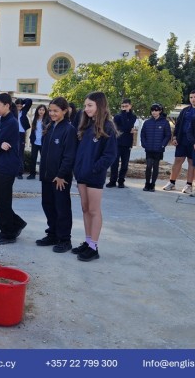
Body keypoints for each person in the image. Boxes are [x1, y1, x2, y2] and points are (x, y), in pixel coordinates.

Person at [72, 92, 118, 262]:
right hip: (82, 175)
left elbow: (109, 155)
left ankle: (94, 247)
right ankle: (88, 241)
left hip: (94, 177)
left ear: (100, 106)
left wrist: (93, 169)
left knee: (93, 210)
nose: (86, 109)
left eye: (89, 105)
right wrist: (78, 169)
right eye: (85, 106)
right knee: (85, 209)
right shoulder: (86, 126)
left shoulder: (108, 128)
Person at [37, 97, 78, 252]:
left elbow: (69, 156)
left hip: (60, 178)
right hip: (47, 176)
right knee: (48, 205)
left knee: (62, 208)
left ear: (65, 111)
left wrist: (61, 175)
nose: (52, 113)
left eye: (56, 110)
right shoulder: (50, 126)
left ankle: (64, 239)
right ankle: (53, 233)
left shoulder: (69, 129)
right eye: (51, 110)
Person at [0, 93, 27, 244]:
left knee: (3, 200)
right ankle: (16, 223)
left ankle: (7, 233)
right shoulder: (0, 121)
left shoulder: (11, 122)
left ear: (7, 106)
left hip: (8, 165)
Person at [163, 89, 195, 193]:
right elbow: (178, 125)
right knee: (177, 161)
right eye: (191, 97)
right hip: (182, 140)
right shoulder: (185, 110)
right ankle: (171, 182)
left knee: (192, 162)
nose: (193, 99)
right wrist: (175, 137)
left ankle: (188, 185)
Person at [140, 103, 171, 192]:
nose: (154, 112)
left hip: (158, 149)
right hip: (149, 148)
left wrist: (162, 145)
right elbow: (143, 134)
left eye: (156, 110)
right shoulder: (147, 122)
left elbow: (167, 135)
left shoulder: (165, 122)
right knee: (148, 166)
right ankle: (147, 183)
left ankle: (152, 184)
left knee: (155, 166)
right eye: (153, 110)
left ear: (160, 111)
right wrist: (144, 144)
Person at [107, 99, 137, 188]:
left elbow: (127, 125)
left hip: (127, 143)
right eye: (123, 106)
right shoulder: (117, 116)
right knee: (114, 163)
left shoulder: (133, 116)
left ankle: (121, 181)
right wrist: (127, 128)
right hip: (117, 142)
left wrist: (125, 127)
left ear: (130, 106)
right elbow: (117, 128)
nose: (124, 108)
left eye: (126, 106)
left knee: (125, 164)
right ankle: (112, 181)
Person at [27, 104, 49, 179]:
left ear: (45, 111)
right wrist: (31, 139)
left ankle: (43, 174)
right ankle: (32, 174)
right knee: (33, 158)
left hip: (43, 142)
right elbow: (33, 130)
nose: (41, 111)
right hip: (35, 142)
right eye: (40, 109)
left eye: (43, 110)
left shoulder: (47, 120)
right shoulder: (35, 118)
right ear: (37, 110)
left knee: (43, 159)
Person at [15, 98, 33, 179]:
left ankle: (20, 172)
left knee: (20, 153)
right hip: (13, 134)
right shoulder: (12, 111)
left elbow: (29, 101)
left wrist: (22, 100)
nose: (19, 107)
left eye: (20, 106)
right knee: (13, 152)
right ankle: (14, 171)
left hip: (21, 134)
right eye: (17, 106)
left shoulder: (24, 111)